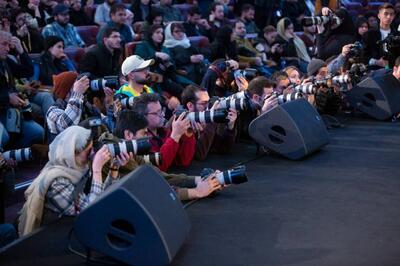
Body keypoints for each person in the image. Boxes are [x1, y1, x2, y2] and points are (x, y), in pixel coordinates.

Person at [18, 125, 132, 236]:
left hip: (73, 226)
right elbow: (91, 212)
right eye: (88, 151)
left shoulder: (77, 169)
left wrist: (114, 168)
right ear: (72, 155)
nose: (92, 153)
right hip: (55, 238)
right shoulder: (56, 182)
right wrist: (97, 170)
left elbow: (99, 198)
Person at [112, 109, 222, 200]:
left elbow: (159, 176)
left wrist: (201, 179)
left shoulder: (129, 150)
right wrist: (196, 192)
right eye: (143, 133)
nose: (147, 138)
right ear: (128, 134)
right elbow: (152, 190)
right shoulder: (116, 154)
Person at [0, 30, 44, 149]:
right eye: (4, 44)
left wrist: (21, 51)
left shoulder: (4, 60)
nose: (8, 49)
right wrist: (7, 97)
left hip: (10, 111)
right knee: (2, 136)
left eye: (9, 45)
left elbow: (27, 71)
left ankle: (12, 154)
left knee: (37, 132)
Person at [131, 93, 196, 171]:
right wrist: (175, 136)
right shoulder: (140, 140)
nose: (163, 114)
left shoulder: (164, 131)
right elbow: (160, 168)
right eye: (157, 113)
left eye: (161, 110)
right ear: (142, 116)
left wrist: (188, 135)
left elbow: (184, 161)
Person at [46, 71, 113, 141]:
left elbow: (106, 124)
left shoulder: (86, 106)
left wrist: (110, 107)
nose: (82, 87)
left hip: (90, 148)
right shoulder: (53, 111)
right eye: (77, 85)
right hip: (65, 150)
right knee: (89, 122)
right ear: (66, 91)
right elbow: (66, 126)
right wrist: (77, 94)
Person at [181, 84, 237, 160]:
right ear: (190, 106)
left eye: (209, 102)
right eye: (203, 103)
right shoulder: (181, 121)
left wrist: (230, 127)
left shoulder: (203, 120)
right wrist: (211, 117)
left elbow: (223, 148)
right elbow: (199, 154)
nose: (208, 107)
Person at [135, 24, 185, 98]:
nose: (160, 35)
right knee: (180, 90)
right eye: (157, 32)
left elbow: (173, 65)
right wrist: (155, 56)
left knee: (188, 88)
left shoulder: (164, 48)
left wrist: (167, 62)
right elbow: (139, 63)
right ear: (151, 34)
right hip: (152, 79)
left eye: (162, 33)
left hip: (167, 77)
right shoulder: (142, 46)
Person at [363, 3, 398, 69]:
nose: (389, 17)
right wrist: (376, 62)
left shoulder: (397, 34)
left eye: (391, 14)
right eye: (386, 14)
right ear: (379, 15)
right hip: (374, 70)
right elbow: (364, 55)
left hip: (394, 70)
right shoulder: (369, 34)